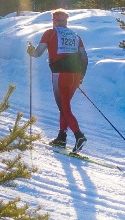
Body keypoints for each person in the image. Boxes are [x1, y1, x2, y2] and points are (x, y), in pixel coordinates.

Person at [27, 9, 87, 150]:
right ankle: (61, 137)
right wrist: (81, 76)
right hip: (75, 74)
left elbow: (38, 53)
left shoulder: (50, 33)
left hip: (60, 74)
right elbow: (84, 58)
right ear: (66, 21)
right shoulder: (75, 36)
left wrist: (30, 51)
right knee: (64, 106)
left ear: (54, 20)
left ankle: (79, 136)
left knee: (64, 108)